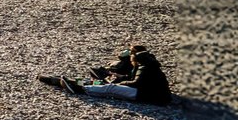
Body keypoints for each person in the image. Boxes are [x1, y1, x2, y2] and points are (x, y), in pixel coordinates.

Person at [41, 45, 172, 105]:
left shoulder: (146, 68)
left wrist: (119, 82)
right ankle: (77, 82)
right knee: (104, 84)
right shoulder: (148, 67)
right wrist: (120, 78)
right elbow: (134, 79)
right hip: (144, 93)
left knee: (110, 88)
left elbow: (136, 83)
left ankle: (81, 88)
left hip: (146, 96)